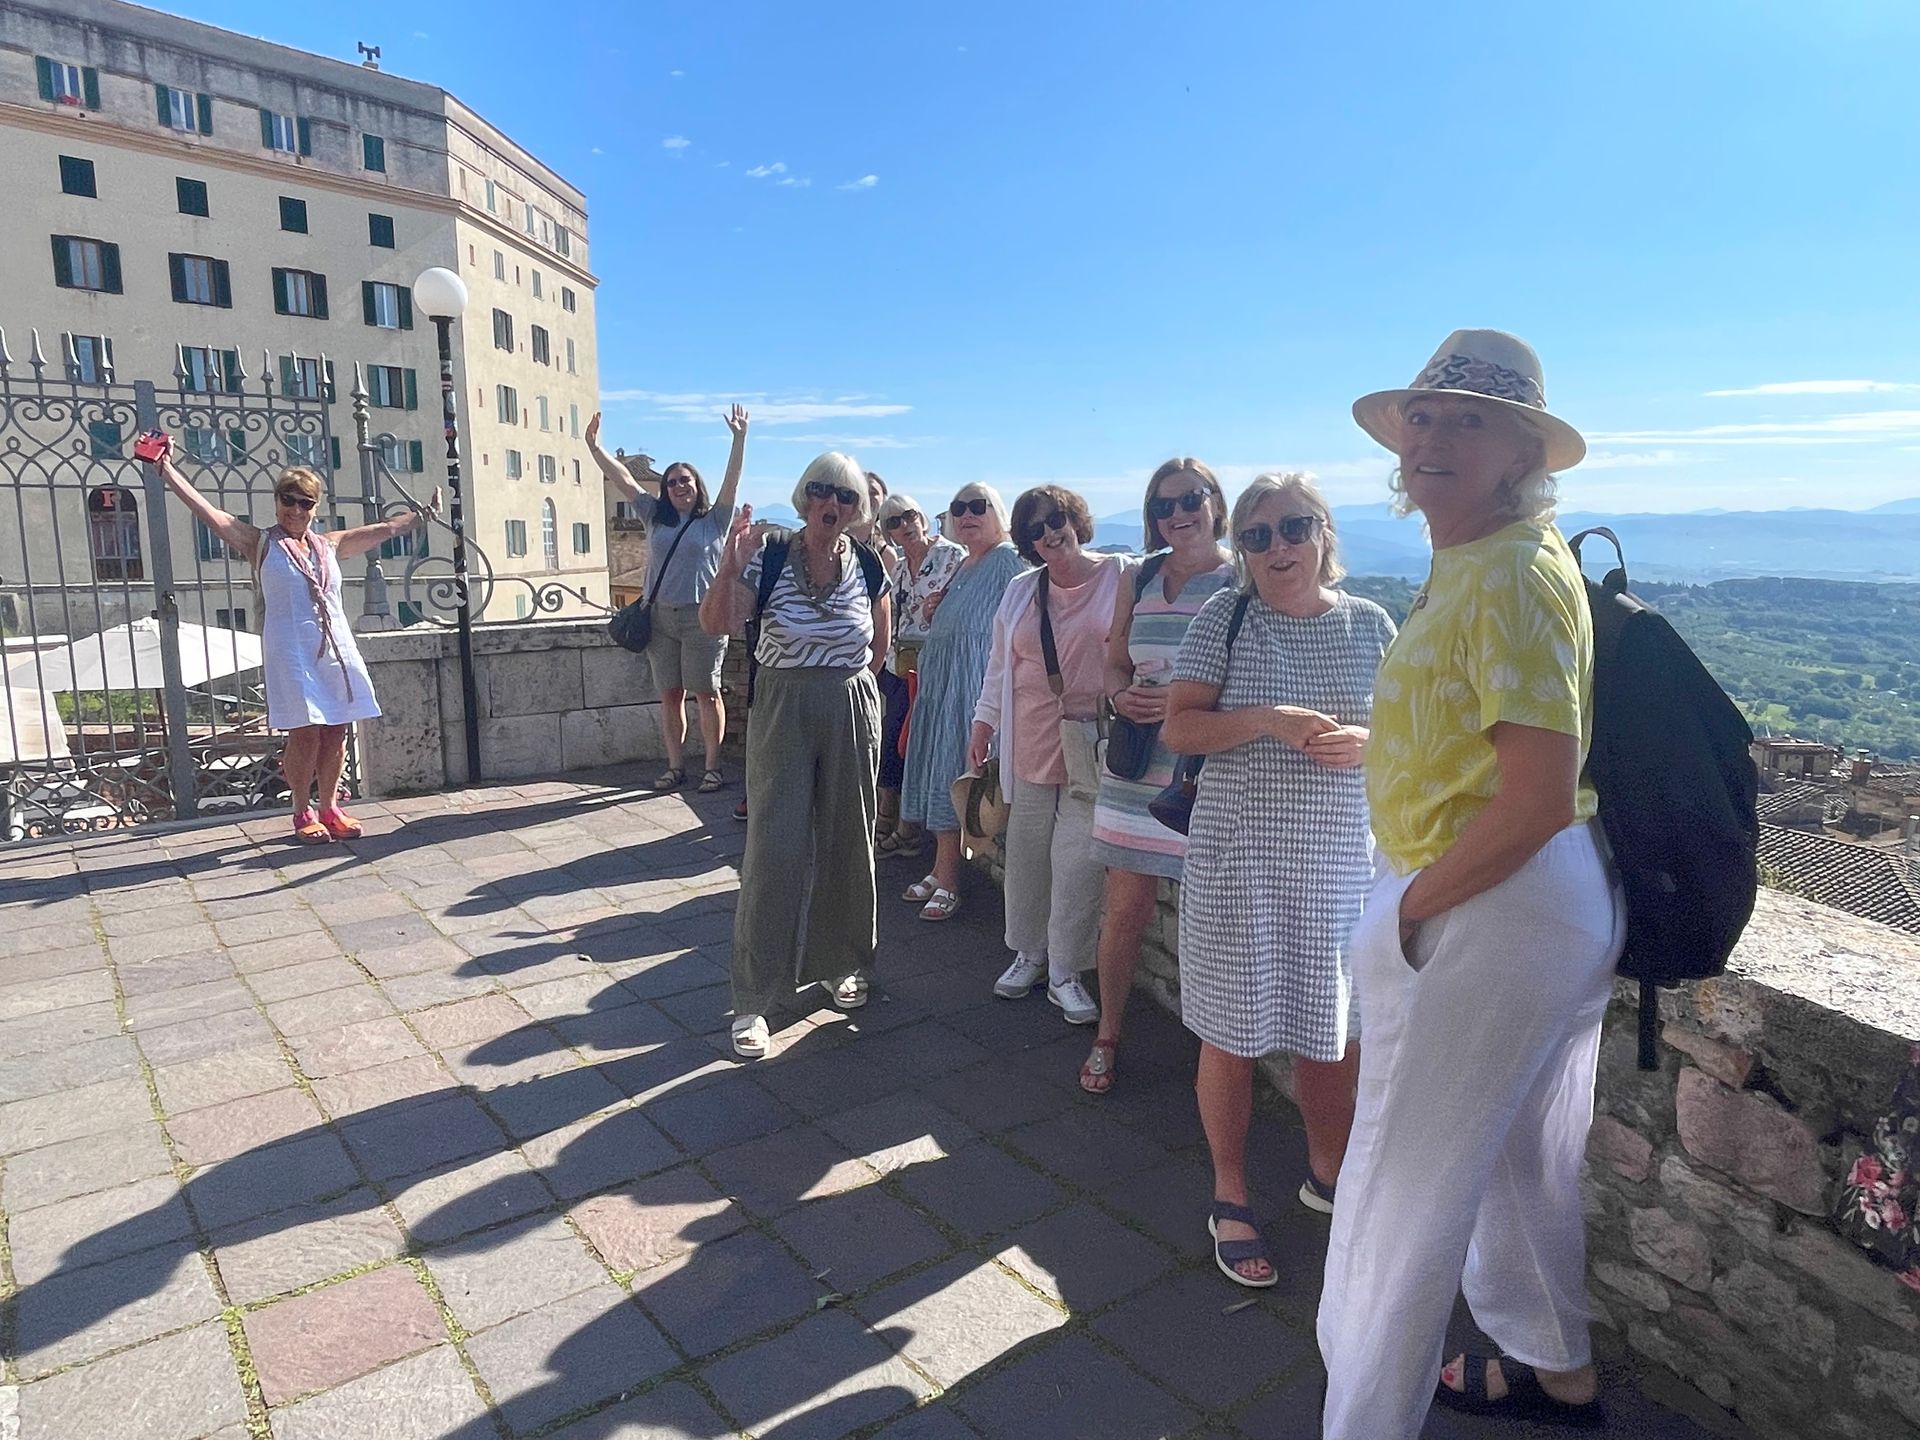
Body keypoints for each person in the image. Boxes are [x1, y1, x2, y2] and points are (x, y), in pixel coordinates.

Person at [1317, 330, 1621, 1438]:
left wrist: (1404, 910)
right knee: (1518, 1168)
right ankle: (1559, 1372)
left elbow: (1537, 793)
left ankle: (1357, 1418)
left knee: (1397, 1188)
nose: (1433, 435)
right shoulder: (1486, 555)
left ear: (1519, 451)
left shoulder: (1509, 571)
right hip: (1526, 902)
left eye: (1469, 419)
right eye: (1423, 416)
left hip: (1489, 899)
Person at [1162, 473, 1395, 1287]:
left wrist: (1369, 741)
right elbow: (1180, 724)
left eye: (1293, 528)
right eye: (1257, 536)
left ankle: (1329, 1173)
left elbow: (1405, 737)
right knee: (1230, 1031)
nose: (1277, 548)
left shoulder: (1372, 625)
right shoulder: (1225, 618)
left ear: (1324, 534)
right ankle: (1230, 1190)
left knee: (1333, 1035)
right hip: (1240, 864)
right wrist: (1267, 720)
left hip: (1338, 868)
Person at [698, 454, 890, 1060]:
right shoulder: (770, 554)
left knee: (849, 840)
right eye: (820, 490)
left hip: (851, 703)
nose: (831, 503)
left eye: (846, 496)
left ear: (859, 509)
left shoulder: (866, 561)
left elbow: (881, 637)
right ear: (804, 497)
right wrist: (728, 568)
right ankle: (755, 998)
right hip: (784, 703)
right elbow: (717, 622)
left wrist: (856, 690)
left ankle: (841, 964)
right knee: (774, 847)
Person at [149, 442, 436, 844]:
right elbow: (207, 512)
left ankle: (329, 806)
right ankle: (301, 810)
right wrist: (166, 471)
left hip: (334, 644)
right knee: (305, 732)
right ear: (277, 501)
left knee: (337, 728)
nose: (296, 510)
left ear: (315, 508)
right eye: (289, 500)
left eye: (305, 503)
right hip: (291, 649)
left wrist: (419, 517)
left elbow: (382, 531)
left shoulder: (329, 544)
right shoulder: (260, 542)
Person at [1078, 459, 1235, 1095]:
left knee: (1211, 920)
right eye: (1164, 505)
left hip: (1206, 772)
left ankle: (1217, 1053)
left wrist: (1182, 705)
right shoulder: (1139, 577)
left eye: (1190, 499)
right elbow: (1114, 661)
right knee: (1123, 912)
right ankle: (1108, 1033)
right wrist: (1118, 698)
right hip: (1139, 763)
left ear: (1216, 503)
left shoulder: (1242, 581)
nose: (1178, 514)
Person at [967, 486, 1122, 1024]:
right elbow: (999, 665)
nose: (1050, 532)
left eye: (1056, 518)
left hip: (1092, 744)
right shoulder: (1019, 590)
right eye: (1035, 528)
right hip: (1028, 738)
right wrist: (983, 722)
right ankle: (1028, 953)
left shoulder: (1120, 576)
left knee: (1077, 861)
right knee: (1029, 855)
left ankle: (1065, 970)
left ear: (1077, 518)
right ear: (1028, 543)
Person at [587, 405, 748, 794]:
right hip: (659, 617)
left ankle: (712, 767)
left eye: (686, 480)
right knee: (670, 696)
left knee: (707, 693)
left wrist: (739, 439)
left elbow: (732, 482)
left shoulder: (715, 520)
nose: (679, 486)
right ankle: (675, 767)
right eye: (673, 481)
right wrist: (594, 447)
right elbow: (623, 478)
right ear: (665, 488)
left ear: (697, 486)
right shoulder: (654, 516)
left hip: (703, 619)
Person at [897, 485, 1025, 920]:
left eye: (978, 507)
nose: (967, 515)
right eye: (959, 509)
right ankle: (939, 868)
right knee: (938, 773)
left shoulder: (1008, 561)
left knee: (954, 778)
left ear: (997, 513)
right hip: (942, 685)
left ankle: (949, 879)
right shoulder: (968, 563)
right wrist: (938, 609)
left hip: (969, 690)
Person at [873, 493, 964, 860]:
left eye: (907, 516)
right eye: (893, 522)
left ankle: (904, 828)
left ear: (921, 516)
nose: (903, 526)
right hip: (899, 666)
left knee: (911, 744)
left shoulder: (951, 557)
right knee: (893, 742)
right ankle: (891, 819)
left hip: (934, 667)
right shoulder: (896, 570)